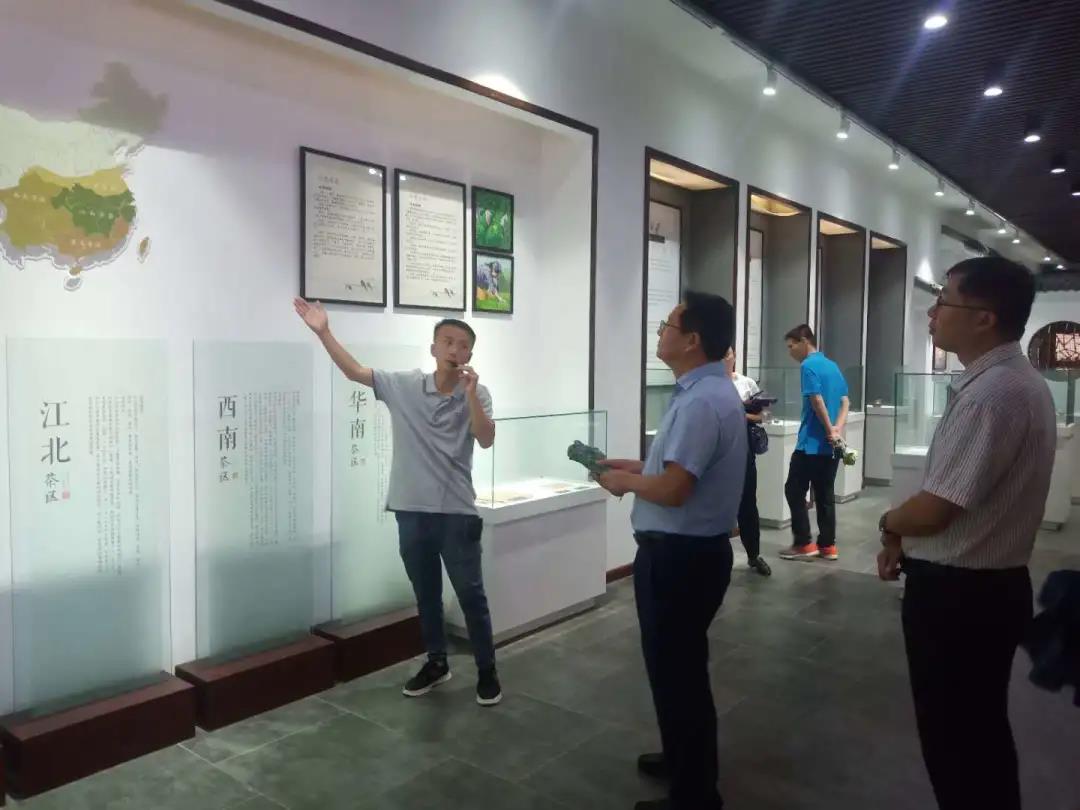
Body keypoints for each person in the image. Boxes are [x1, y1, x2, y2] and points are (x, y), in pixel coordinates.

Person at [876, 257, 1055, 810]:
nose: (932, 313)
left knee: (957, 742)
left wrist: (889, 524)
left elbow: (936, 509)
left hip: (960, 596)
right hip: (986, 589)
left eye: (943, 301)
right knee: (977, 735)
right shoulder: (1012, 383)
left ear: (983, 317)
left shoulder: (990, 394)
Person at [294, 298, 502, 706]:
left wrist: (472, 396)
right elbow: (355, 371)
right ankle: (437, 662)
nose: (454, 350)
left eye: (463, 345)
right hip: (411, 511)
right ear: (433, 348)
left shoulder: (478, 392)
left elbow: (486, 438)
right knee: (426, 594)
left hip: (457, 513)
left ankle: (487, 670)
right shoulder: (405, 385)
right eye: (447, 342)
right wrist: (324, 331)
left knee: (470, 595)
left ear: (470, 355)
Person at [595, 291, 746, 810]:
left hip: (681, 559)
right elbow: (678, 471)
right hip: (688, 556)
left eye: (667, 325)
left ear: (692, 340)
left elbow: (676, 489)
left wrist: (625, 483)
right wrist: (635, 467)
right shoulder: (705, 392)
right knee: (678, 671)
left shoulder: (702, 401)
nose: (659, 332)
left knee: (679, 676)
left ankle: (695, 794)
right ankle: (682, 759)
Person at [778, 324, 849, 562]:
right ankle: (828, 546)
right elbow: (845, 401)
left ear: (804, 341)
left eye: (791, 346)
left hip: (810, 444)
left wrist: (829, 430)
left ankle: (804, 543)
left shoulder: (808, 366)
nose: (790, 352)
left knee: (794, 490)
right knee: (825, 494)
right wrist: (837, 430)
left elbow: (816, 400)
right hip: (831, 446)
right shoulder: (832, 365)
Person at [723, 348, 771, 576]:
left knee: (748, 504)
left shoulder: (746, 383)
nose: (725, 358)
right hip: (718, 454)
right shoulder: (710, 385)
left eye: (728, 353)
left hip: (743, 451)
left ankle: (754, 554)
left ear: (734, 356)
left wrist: (740, 415)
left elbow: (764, 415)